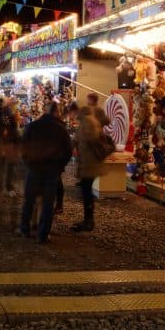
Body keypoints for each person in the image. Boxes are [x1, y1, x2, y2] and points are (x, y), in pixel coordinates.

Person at [18, 102, 73, 244]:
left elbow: (23, 147)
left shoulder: (33, 126)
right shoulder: (60, 129)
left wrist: (28, 163)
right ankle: (42, 235)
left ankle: (24, 229)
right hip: (51, 170)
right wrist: (59, 166)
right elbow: (68, 151)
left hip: (34, 168)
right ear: (55, 112)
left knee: (29, 201)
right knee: (48, 204)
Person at [72, 94, 110, 233]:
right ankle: (88, 220)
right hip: (89, 162)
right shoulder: (88, 121)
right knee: (85, 190)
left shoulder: (88, 122)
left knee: (86, 191)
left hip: (90, 163)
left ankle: (89, 221)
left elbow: (87, 139)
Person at [3, 97, 21, 197]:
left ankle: (8, 186)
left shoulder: (8, 112)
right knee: (10, 165)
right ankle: (8, 187)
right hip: (10, 142)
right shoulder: (7, 113)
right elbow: (9, 127)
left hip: (10, 141)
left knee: (10, 165)